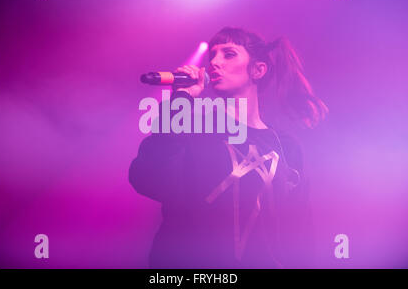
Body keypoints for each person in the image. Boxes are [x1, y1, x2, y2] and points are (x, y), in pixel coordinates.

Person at [129, 27, 328, 268]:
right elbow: (147, 178)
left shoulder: (286, 147)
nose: (214, 62)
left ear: (258, 70)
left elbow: (300, 228)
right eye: (212, 55)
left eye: (229, 54)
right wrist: (181, 99)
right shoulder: (195, 127)